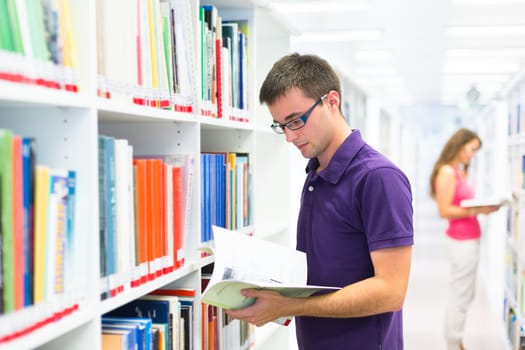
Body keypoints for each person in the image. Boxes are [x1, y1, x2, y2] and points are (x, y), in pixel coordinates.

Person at [225, 53, 414, 350]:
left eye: (296, 121)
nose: (289, 137)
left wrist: (290, 306)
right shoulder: (316, 171)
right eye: (280, 126)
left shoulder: (378, 178)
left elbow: (391, 291)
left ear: (332, 101)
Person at [429, 128, 500, 350]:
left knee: (465, 295)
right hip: (461, 242)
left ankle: (457, 340)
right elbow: (444, 210)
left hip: (469, 239)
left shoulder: (458, 171)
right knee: (460, 295)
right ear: (460, 145)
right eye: (471, 149)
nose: (472, 155)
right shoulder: (447, 173)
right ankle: (453, 343)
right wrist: (477, 210)